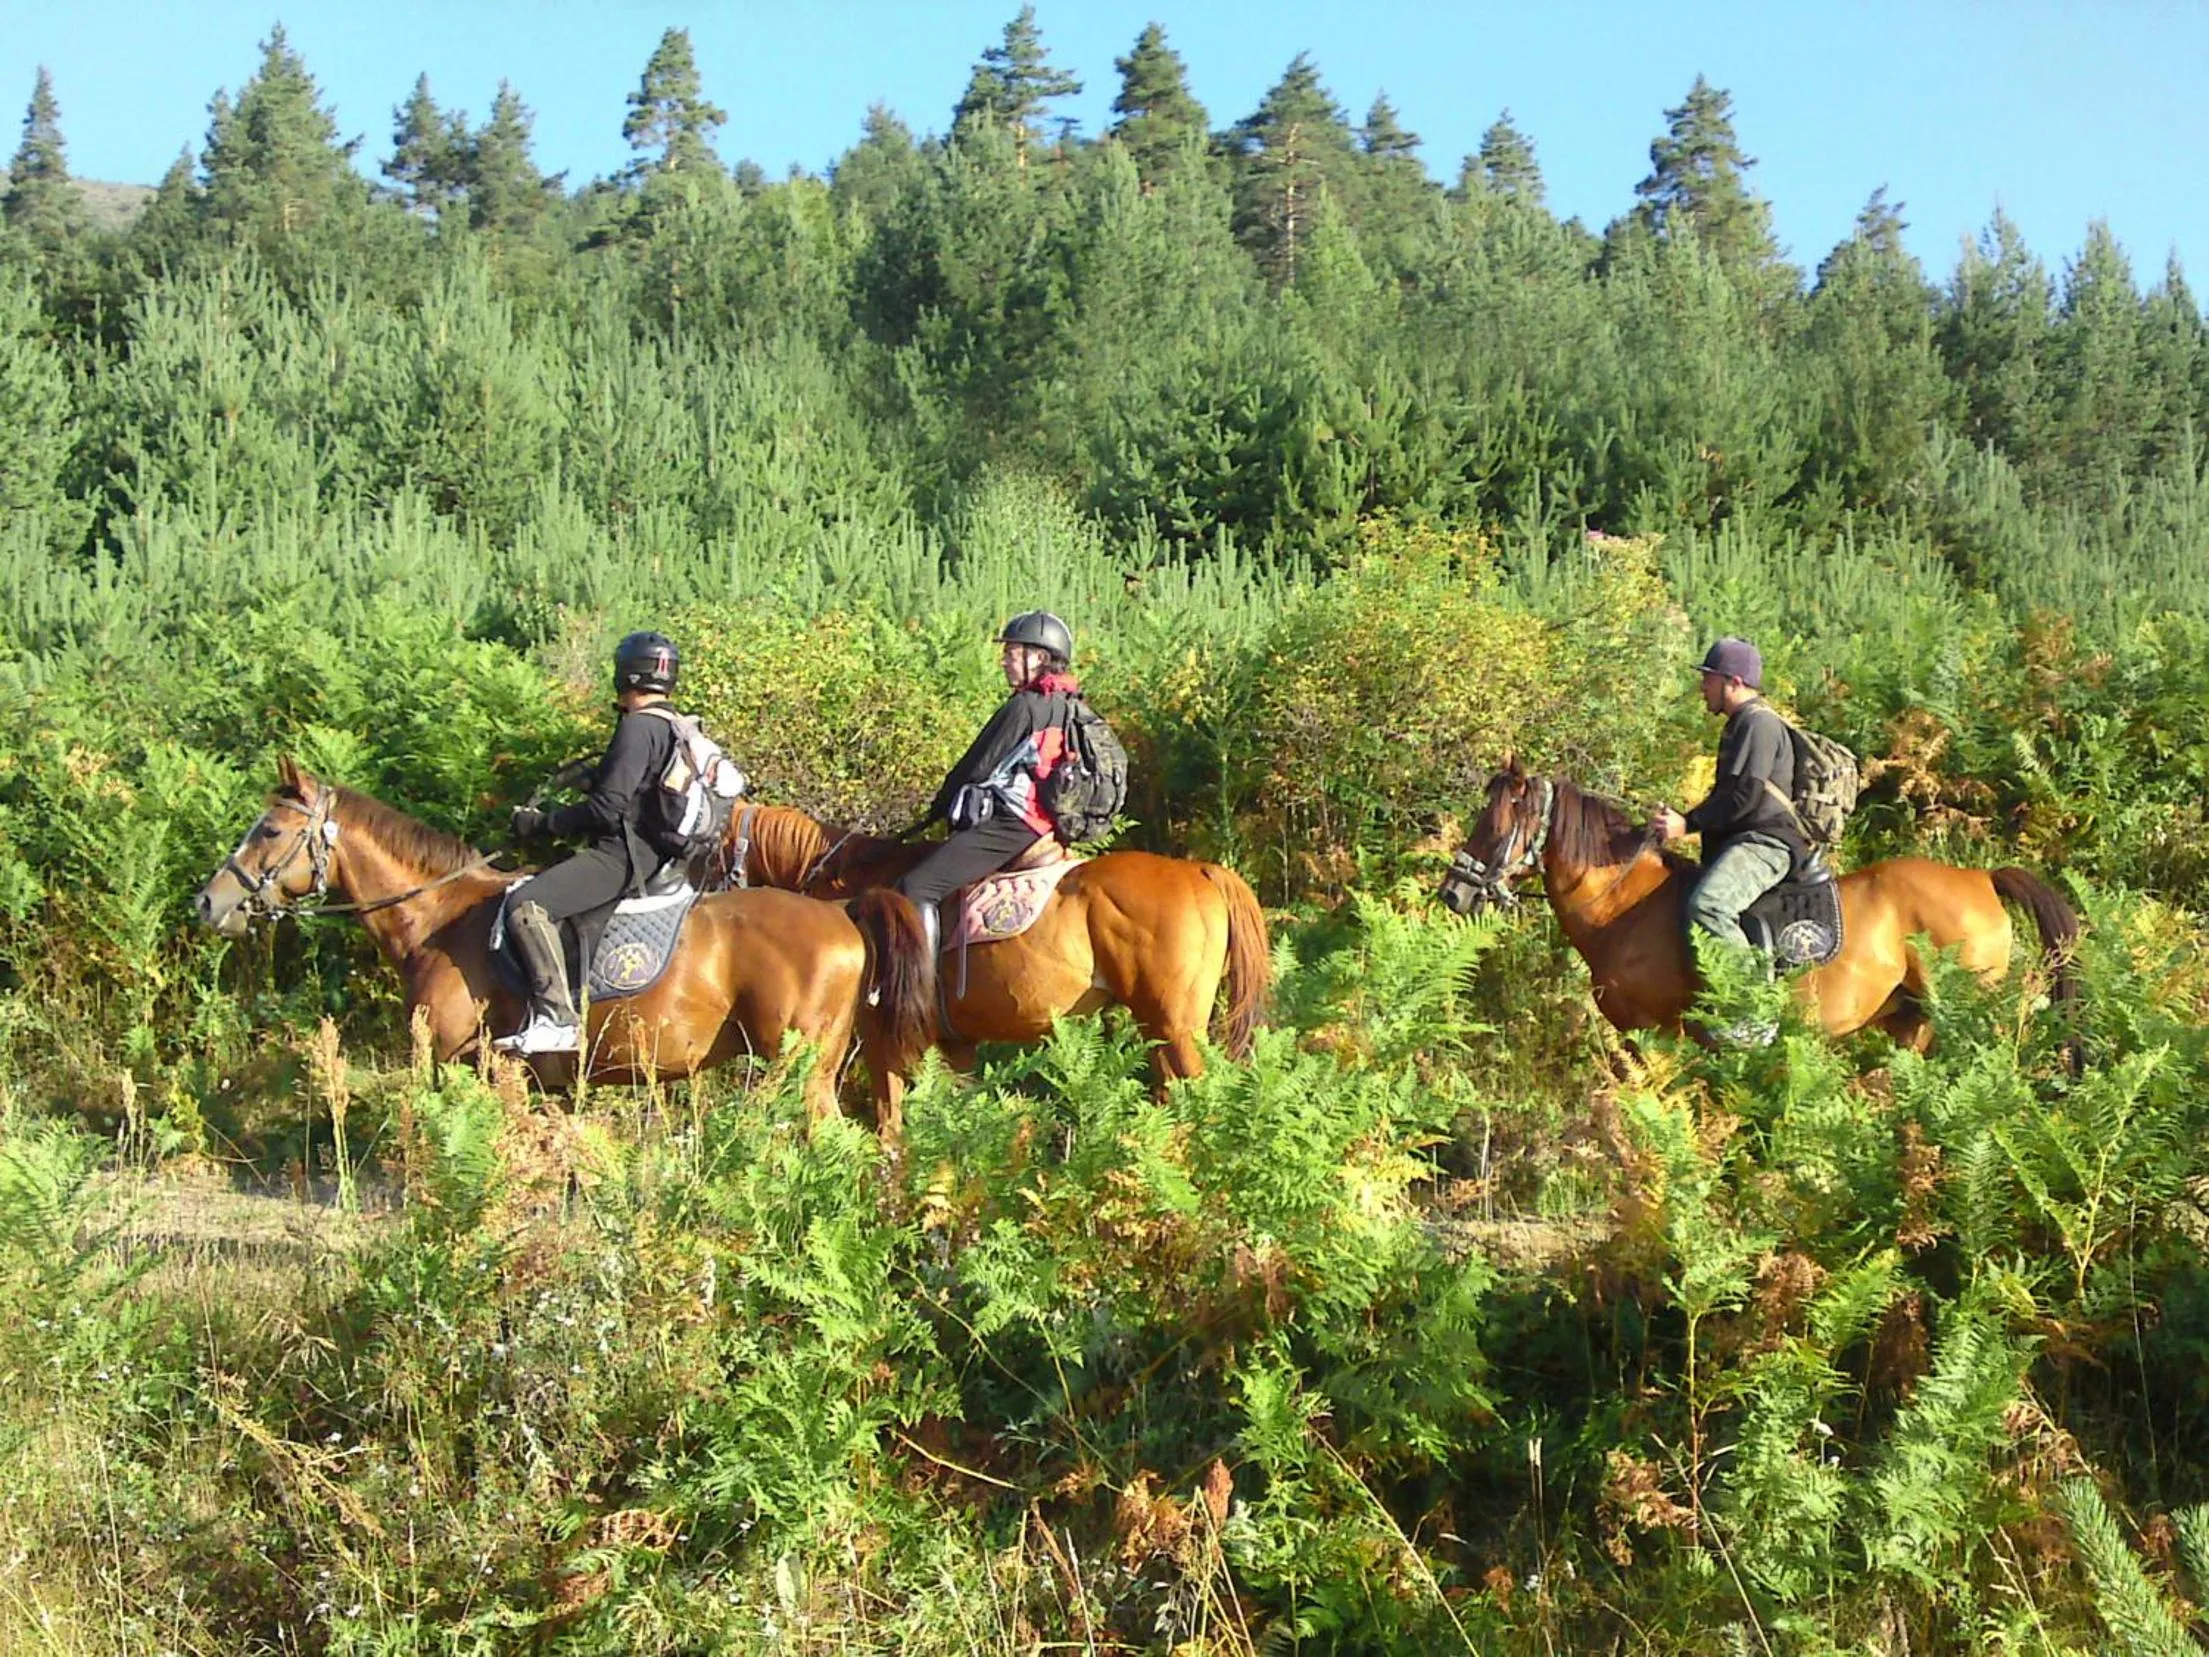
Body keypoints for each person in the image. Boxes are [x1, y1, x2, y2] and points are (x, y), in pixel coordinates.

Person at [496, 631, 691, 1055]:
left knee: (526, 906)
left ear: (626, 675)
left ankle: (557, 1019)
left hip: (621, 856)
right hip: (654, 855)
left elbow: (607, 810)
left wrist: (541, 824)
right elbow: (635, 792)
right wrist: (591, 779)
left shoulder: (639, 727)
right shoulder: (674, 727)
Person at [895, 611, 1083, 955]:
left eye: (1011, 653)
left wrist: (935, 811)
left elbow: (975, 768)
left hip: (1014, 824)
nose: (1003, 662)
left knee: (916, 887)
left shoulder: (1025, 706)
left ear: (1037, 658)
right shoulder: (1067, 703)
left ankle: (920, 985)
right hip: (1048, 825)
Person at [1650, 636, 1810, 962]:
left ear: (1734, 682)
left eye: (1708, 678)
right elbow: (1729, 798)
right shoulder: (1740, 725)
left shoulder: (1758, 723)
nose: (1702, 686)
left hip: (1766, 844)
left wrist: (1687, 824)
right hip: (1745, 841)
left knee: (1710, 905)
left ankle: (1749, 1005)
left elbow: (1745, 796)